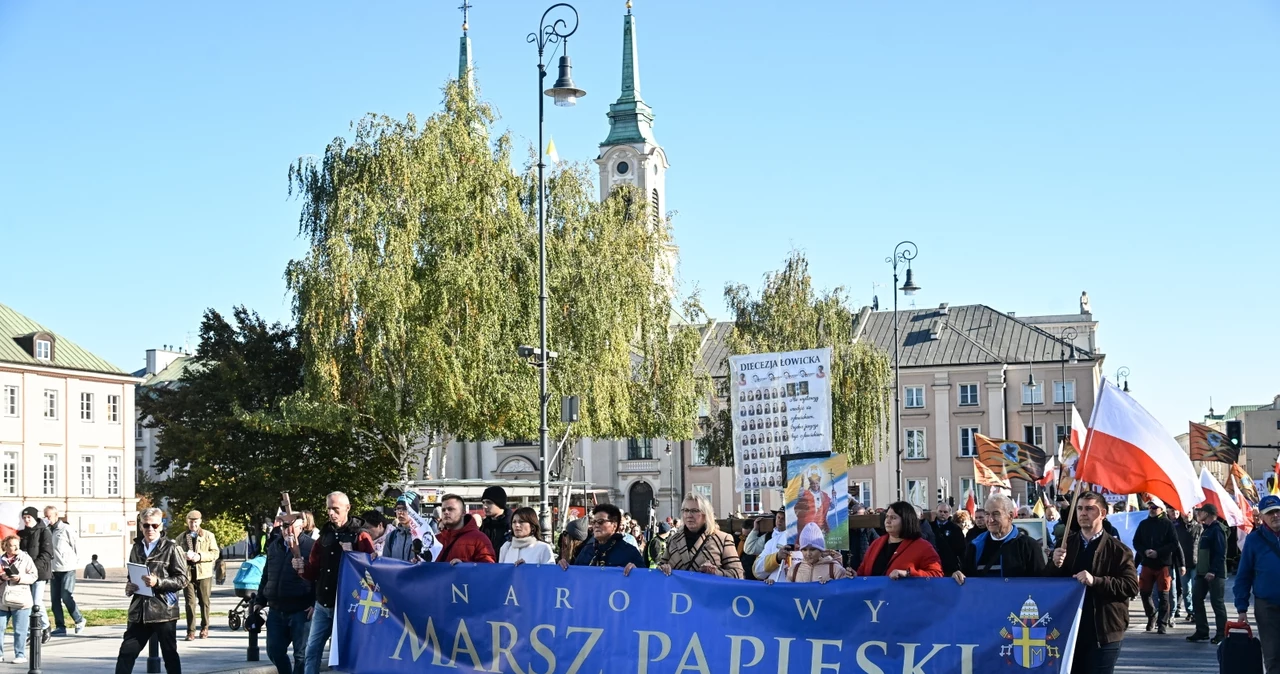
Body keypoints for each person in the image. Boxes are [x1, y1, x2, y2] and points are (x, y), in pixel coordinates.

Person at [1047, 491, 1139, 674]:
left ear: (1103, 514)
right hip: (1069, 631)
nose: (1083, 513)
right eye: (1080, 508)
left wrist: (1096, 581)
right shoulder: (1065, 544)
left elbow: (1131, 586)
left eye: (1089, 509)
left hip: (1103, 633)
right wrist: (1053, 564)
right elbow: (1047, 585)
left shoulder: (1118, 550)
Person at [300, 491, 375, 674]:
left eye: (336, 509)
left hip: (347, 606)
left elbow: (372, 571)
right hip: (323, 603)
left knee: (341, 655)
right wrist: (300, 568)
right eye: (329, 509)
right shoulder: (324, 535)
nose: (332, 513)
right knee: (311, 650)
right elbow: (313, 570)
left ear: (347, 508)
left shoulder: (361, 535)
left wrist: (354, 555)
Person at [114, 507, 187, 674]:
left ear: (161, 526)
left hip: (164, 610)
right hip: (140, 611)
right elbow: (132, 575)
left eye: (154, 525)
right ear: (141, 526)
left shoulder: (171, 548)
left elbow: (182, 579)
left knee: (169, 654)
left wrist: (158, 581)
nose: (150, 529)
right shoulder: (136, 548)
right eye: (146, 526)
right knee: (126, 652)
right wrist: (130, 586)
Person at [254, 511, 314, 674]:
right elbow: (267, 574)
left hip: (301, 610)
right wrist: (259, 600)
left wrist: (315, 603)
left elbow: (321, 577)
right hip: (276, 608)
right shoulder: (275, 545)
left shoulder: (311, 546)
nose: (288, 531)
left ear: (301, 526)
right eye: (284, 527)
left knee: (301, 655)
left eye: (291, 526)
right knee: (274, 650)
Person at [1234, 494, 1280, 672]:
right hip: (1267, 606)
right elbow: (1243, 575)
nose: (1275, 515)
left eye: (1277, 511)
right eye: (1270, 513)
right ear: (1261, 517)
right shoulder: (1254, 540)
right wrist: (1241, 607)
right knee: (1273, 653)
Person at [955, 493, 1045, 584]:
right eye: (987, 514)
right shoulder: (975, 545)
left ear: (1010, 516)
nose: (990, 520)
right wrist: (957, 576)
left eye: (996, 514)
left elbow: (1039, 584)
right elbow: (967, 581)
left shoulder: (1029, 546)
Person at [657, 493, 743, 579]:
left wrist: (716, 572)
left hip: (708, 592)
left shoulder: (722, 539)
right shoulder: (674, 539)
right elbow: (659, 569)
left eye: (694, 511)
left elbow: (738, 574)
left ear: (706, 514)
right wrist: (663, 569)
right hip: (678, 592)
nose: (689, 515)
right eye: (686, 510)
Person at [853, 502, 943, 579]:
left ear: (906, 521)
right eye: (887, 517)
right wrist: (855, 576)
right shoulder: (876, 543)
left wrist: (908, 573)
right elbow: (863, 571)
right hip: (875, 599)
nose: (888, 521)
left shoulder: (923, 547)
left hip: (904, 598)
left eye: (893, 518)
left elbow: (937, 575)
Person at [1131, 499, 1178, 634]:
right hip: (1147, 563)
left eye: (1155, 507)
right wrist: (1144, 551)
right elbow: (1136, 542)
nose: (1151, 509)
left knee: (1164, 595)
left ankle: (1162, 623)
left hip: (1163, 564)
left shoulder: (1168, 524)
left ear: (1161, 509)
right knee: (1144, 593)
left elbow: (1174, 544)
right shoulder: (1143, 524)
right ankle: (1152, 615)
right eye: (1150, 506)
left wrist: (1158, 552)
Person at [1187, 503, 1228, 644]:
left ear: (1208, 513)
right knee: (1196, 599)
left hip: (1214, 573)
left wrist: (1213, 571)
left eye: (1200, 511)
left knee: (1217, 603)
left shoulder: (1217, 530)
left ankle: (1222, 633)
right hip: (1202, 573)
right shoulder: (1207, 529)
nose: (1198, 514)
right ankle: (1202, 631)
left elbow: (1220, 553)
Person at [175, 509, 218, 641]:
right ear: (187, 522)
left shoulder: (208, 535)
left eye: (195, 521)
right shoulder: (181, 537)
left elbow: (215, 553)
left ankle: (205, 628)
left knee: (204, 602)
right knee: (190, 603)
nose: (193, 524)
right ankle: (191, 631)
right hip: (187, 574)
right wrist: (184, 556)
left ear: (200, 521)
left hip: (203, 573)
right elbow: (175, 555)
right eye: (190, 521)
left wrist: (199, 556)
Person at [561, 504, 644, 571]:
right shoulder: (587, 550)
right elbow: (575, 578)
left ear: (614, 525)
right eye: (594, 522)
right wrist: (564, 568)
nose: (596, 525)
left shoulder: (629, 551)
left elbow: (645, 581)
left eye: (601, 522)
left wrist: (636, 572)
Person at [44, 506, 86, 636]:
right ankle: (60, 626)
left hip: (67, 567)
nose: (47, 518)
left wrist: (75, 561)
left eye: (49, 516)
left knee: (66, 595)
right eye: (45, 516)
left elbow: (76, 546)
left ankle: (79, 619)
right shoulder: (46, 530)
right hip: (53, 569)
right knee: (54, 599)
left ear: (56, 515)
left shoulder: (65, 529)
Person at [767, 523, 846, 584]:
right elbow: (787, 595)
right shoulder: (794, 570)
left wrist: (832, 586)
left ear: (821, 550)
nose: (808, 553)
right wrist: (773, 587)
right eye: (804, 549)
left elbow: (845, 594)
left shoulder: (835, 569)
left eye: (812, 549)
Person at [17, 506, 52, 644]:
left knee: (36, 602)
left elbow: (47, 553)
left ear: (34, 517)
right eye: (24, 517)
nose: (26, 520)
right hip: (24, 573)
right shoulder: (21, 534)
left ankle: (45, 626)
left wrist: (34, 567)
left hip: (39, 573)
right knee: (26, 602)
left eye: (29, 517)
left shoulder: (44, 531)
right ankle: (30, 631)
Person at [0, 535, 36, 664]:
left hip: (21, 599)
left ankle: (20, 654)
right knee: (0, 628)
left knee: (20, 630)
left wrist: (19, 578)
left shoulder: (25, 558)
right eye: (12, 545)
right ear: (5, 546)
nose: (15, 547)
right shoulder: (1, 560)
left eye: (17, 545)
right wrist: (2, 578)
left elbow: (33, 576)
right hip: (2, 600)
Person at [435, 494, 497, 565]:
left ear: (463, 512)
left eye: (450, 509)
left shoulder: (480, 539)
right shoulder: (436, 540)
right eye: (443, 510)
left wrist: (465, 566)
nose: (446, 512)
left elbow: (489, 568)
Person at [1172, 507, 1201, 622]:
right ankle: (1190, 611)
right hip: (1183, 564)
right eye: (1184, 513)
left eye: (1189, 512)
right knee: (1185, 589)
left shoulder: (1199, 527)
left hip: (1195, 562)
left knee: (1195, 589)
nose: (1187, 515)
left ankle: (1195, 612)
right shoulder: (1177, 528)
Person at [384, 493, 426, 563]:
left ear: (414, 512)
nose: (400, 512)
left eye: (405, 509)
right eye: (398, 508)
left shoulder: (423, 536)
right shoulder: (391, 537)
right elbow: (385, 563)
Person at [928, 501, 966, 577]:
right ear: (936, 512)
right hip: (932, 564)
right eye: (940, 511)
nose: (942, 514)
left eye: (945, 512)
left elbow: (961, 549)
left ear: (949, 513)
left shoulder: (955, 529)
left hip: (950, 567)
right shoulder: (929, 527)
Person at [753, 510, 791, 582]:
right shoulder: (771, 540)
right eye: (778, 517)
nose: (780, 520)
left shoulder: (807, 538)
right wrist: (776, 558)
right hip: (776, 590)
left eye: (783, 518)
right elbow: (757, 571)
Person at [794, 470, 831, 534]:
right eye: (813, 483)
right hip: (808, 523)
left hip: (820, 524)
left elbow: (831, 506)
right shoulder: (806, 493)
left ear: (819, 484)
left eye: (816, 483)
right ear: (810, 484)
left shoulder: (824, 495)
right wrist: (802, 483)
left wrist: (834, 497)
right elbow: (800, 497)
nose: (815, 485)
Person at [479, 486, 512, 556]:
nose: (485, 506)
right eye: (483, 502)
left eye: (489, 502)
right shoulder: (483, 526)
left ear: (499, 503)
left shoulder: (512, 525)